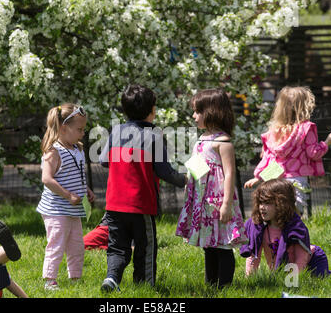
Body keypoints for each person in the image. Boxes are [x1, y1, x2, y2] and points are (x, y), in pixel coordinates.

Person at [99, 84, 187, 292]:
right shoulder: (153, 136)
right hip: (141, 205)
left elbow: (104, 161)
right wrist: (185, 180)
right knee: (145, 247)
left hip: (114, 204)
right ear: (152, 110)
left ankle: (112, 278)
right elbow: (165, 172)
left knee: (117, 247)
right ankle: (145, 286)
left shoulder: (116, 131)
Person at [176, 88, 248, 288]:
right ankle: (211, 285)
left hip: (218, 202)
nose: (193, 116)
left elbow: (229, 174)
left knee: (223, 245)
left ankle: (224, 286)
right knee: (208, 245)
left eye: (197, 112)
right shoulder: (202, 139)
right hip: (203, 202)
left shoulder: (223, 142)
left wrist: (226, 204)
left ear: (211, 112)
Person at [240, 179, 331, 285]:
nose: (262, 207)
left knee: (325, 280)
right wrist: (250, 279)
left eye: (267, 203)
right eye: (261, 202)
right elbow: (253, 254)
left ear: (281, 204)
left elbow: (301, 257)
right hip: (287, 269)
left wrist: (292, 281)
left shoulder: (295, 228)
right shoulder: (258, 228)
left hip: (313, 259)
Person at [244, 86, 331, 214]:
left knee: (276, 219)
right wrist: (327, 142)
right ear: (305, 106)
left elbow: (268, 157)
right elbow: (314, 153)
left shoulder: (274, 131)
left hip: (275, 180)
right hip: (296, 181)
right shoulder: (306, 128)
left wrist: (258, 177)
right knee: (293, 219)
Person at [36, 103, 95, 291]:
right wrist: (68, 194)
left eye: (83, 129)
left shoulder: (77, 148)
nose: (82, 133)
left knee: (77, 245)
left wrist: (85, 189)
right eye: (79, 129)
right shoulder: (54, 151)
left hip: (73, 209)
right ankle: (49, 280)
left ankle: (75, 278)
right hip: (56, 210)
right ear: (63, 128)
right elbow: (46, 179)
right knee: (57, 244)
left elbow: (76, 174)